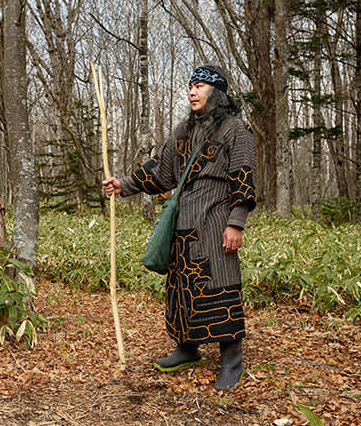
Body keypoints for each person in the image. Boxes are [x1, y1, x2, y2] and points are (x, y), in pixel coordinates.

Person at [102, 65, 257, 390]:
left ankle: (231, 362)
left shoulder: (234, 130)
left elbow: (243, 175)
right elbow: (161, 170)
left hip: (216, 224)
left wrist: (236, 223)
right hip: (183, 228)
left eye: (200, 86)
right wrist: (123, 185)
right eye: (190, 86)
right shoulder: (183, 132)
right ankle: (187, 348)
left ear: (217, 92)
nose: (192, 91)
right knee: (183, 288)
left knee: (222, 285)